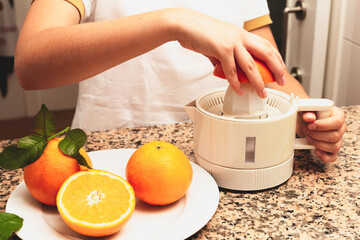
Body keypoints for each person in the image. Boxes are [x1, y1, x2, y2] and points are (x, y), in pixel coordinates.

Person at [14, 0, 346, 162]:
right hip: (109, 159)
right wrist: (174, 22)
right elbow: (31, 62)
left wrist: (303, 117)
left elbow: (267, 67)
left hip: (218, 160)